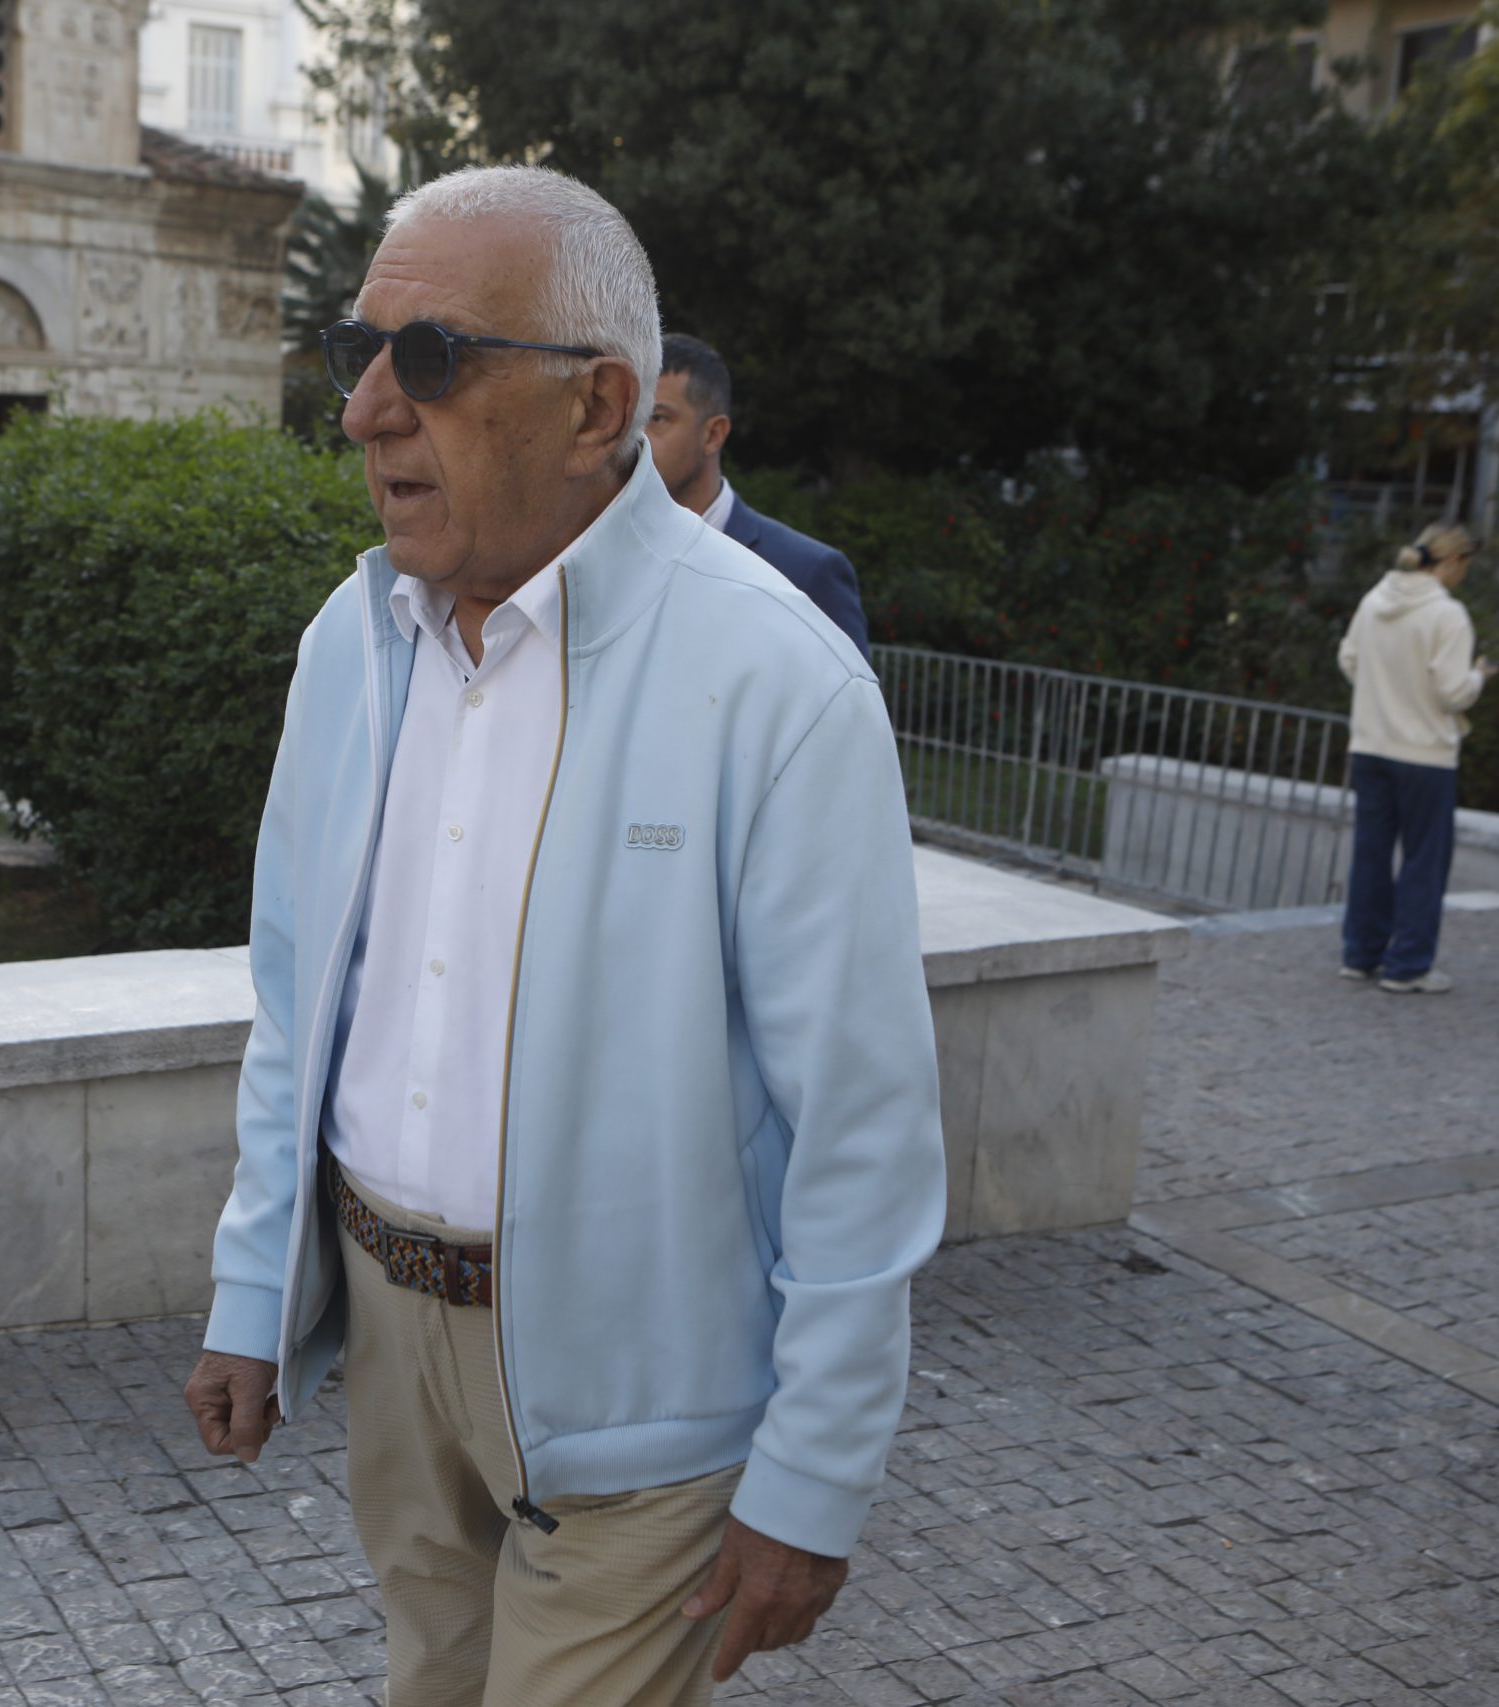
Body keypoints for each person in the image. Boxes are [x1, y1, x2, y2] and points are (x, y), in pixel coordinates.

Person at [181, 166, 944, 1707]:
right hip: (390, 1342)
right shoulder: (352, 643)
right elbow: (298, 1001)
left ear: (599, 407)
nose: (366, 412)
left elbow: (860, 1126)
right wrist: (255, 1288)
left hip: (645, 1402)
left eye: (432, 360)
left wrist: (814, 1471)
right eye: (359, 353)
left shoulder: (778, 679)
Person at [1334, 520, 1494, 993]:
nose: (1463, 575)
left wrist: (1381, 693)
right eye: (1465, 565)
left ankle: (1360, 955)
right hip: (1425, 752)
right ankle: (1407, 966)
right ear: (1452, 561)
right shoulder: (1448, 615)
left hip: (1371, 743)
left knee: (1370, 853)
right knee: (1424, 860)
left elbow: (1348, 659)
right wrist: (1479, 677)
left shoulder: (1374, 600)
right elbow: (1452, 692)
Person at [646, 333, 870, 652]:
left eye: (657, 418)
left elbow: (849, 687)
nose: (637, 439)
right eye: (632, 418)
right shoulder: (606, 555)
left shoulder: (806, 573)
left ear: (714, 434)